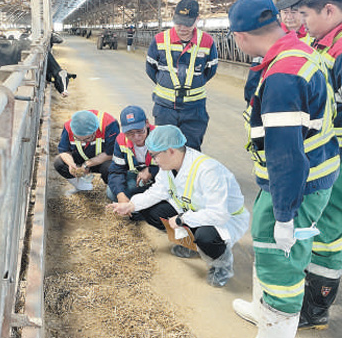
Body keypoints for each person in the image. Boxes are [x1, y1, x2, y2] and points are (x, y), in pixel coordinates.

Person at [228, 0, 340, 337]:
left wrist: (285, 215)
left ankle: (276, 327)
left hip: (298, 184)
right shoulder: (296, 51)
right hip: (309, 174)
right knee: (267, 247)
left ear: (240, 37)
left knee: (280, 262)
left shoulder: (283, 76)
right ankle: (264, 311)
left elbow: (286, 155)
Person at [108, 125, 249, 287]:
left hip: (223, 218)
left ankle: (221, 264)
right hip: (191, 209)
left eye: (155, 156)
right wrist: (131, 205)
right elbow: (157, 191)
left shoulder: (208, 170)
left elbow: (219, 214)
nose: (154, 161)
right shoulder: (169, 166)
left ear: (171, 151)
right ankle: (192, 245)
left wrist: (183, 219)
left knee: (205, 236)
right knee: (151, 210)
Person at [283, 0, 342, 331]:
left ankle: (317, 307)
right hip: (328, 151)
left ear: (330, 10)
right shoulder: (324, 42)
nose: (300, 23)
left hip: (337, 154)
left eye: (305, 14)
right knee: (324, 225)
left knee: (329, 230)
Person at [146, 0, 218, 151]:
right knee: (165, 149)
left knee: (191, 149)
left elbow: (210, 70)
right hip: (165, 107)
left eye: (188, 23)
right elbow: (151, 69)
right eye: (178, 22)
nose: (182, 27)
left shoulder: (207, 41)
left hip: (194, 108)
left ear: (197, 20)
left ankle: (189, 175)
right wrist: (167, 84)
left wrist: (194, 83)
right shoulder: (159, 40)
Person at [243, 0, 311, 106]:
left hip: (302, 100)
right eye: (285, 12)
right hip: (271, 97)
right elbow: (255, 73)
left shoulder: (313, 38)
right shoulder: (271, 37)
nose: (289, 16)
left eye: (294, 12)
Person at [54, 109, 120, 193]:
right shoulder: (69, 126)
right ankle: (83, 188)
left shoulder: (109, 124)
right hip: (80, 157)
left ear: (95, 131)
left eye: (88, 138)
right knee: (59, 162)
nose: (82, 142)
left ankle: (113, 192)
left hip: (103, 159)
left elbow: (112, 152)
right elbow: (64, 150)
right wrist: (71, 164)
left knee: (111, 167)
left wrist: (87, 164)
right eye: (77, 138)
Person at [107, 105, 158, 203]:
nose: (136, 137)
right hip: (138, 176)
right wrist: (120, 195)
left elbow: (174, 166)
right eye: (129, 133)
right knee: (112, 192)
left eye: (140, 131)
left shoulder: (160, 135)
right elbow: (116, 171)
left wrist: (151, 170)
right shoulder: (121, 140)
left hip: (161, 176)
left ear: (147, 123)